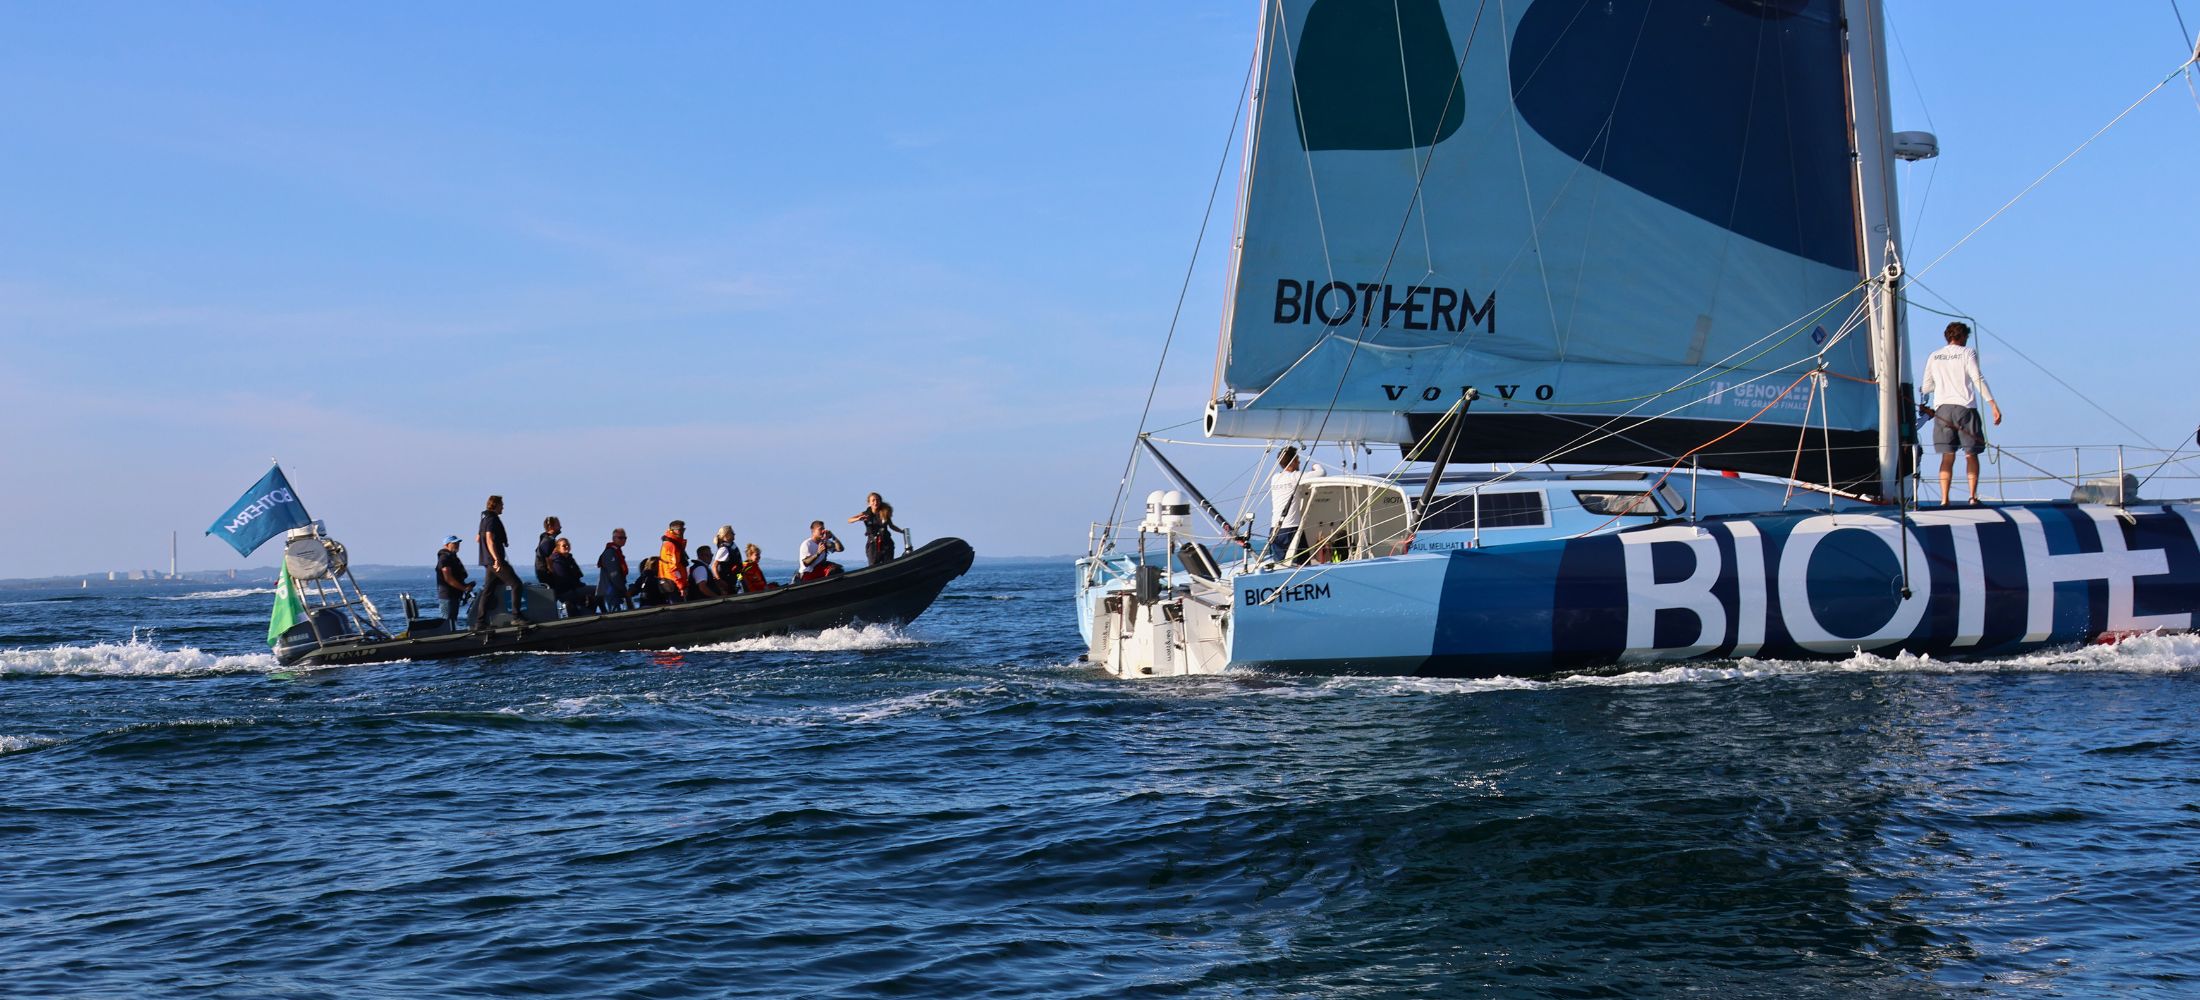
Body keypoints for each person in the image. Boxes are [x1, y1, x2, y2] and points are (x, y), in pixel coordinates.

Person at [1918, 320, 2003, 505]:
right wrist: (1993, 404)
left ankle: (1944, 499)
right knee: (1970, 454)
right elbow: (1976, 377)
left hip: (1942, 410)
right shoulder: (1967, 352)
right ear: (1963, 336)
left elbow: (1926, 386)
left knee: (1947, 456)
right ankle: (1972, 497)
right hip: (1965, 408)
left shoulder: (1935, 356)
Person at [1266, 446, 1327, 564]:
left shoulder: (1275, 478)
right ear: (1293, 462)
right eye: (1297, 459)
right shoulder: (1295, 476)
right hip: (1292, 528)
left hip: (1275, 529)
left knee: (1281, 565)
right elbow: (1321, 473)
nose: (1299, 462)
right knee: (1303, 565)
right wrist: (1315, 465)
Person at [475, 494, 523, 627]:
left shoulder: (483, 519)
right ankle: (516, 616)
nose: (503, 507)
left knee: (488, 590)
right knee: (516, 584)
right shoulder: (492, 519)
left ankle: (480, 621)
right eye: (501, 504)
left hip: (487, 560)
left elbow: (478, 538)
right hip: (495, 561)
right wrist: (497, 559)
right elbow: (489, 539)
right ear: (495, 505)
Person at [847, 492, 900, 567]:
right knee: (873, 565)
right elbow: (849, 520)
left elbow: (891, 526)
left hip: (886, 543)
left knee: (889, 564)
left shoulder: (884, 513)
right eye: (873, 500)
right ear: (869, 503)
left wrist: (902, 531)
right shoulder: (865, 513)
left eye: (877, 500)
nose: (876, 502)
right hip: (873, 544)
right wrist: (858, 519)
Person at [546, 537, 593, 617]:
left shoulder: (569, 558)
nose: (566, 547)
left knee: (595, 592)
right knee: (596, 590)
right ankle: (597, 613)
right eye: (564, 546)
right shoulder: (557, 561)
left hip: (574, 587)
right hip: (565, 591)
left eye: (568, 545)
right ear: (558, 548)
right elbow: (564, 579)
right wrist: (577, 584)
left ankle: (588, 612)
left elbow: (579, 574)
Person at [434, 534, 473, 629]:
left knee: (452, 622)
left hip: (454, 596)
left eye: (458, 543)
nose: (457, 545)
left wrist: (466, 586)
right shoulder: (445, 558)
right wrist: (464, 588)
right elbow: (448, 578)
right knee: (447, 623)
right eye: (454, 543)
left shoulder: (453, 558)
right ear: (446, 545)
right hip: (447, 597)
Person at [597, 528, 631, 612]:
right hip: (610, 589)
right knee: (615, 611)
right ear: (614, 538)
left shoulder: (617, 552)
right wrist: (622, 589)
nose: (623, 540)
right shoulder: (610, 553)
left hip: (614, 588)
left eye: (624, 538)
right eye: (620, 538)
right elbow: (614, 574)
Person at [658, 521, 690, 601]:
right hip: (672, 583)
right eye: (680, 530)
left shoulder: (675, 544)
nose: (682, 532)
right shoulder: (671, 546)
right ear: (672, 531)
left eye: (683, 529)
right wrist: (681, 586)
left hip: (673, 582)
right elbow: (673, 568)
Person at [711, 525, 744, 595]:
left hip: (735, 579)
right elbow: (714, 566)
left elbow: (738, 568)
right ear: (726, 535)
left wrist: (741, 580)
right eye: (732, 532)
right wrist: (720, 581)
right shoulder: (724, 549)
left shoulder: (733, 546)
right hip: (727, 581)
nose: (734, 534)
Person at [533, 516, 564, 586]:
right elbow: (549, 561)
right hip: (549, 579)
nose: (561, 527)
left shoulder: (548, 540)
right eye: (558, 525)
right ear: (551, 527)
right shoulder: (547, 542)